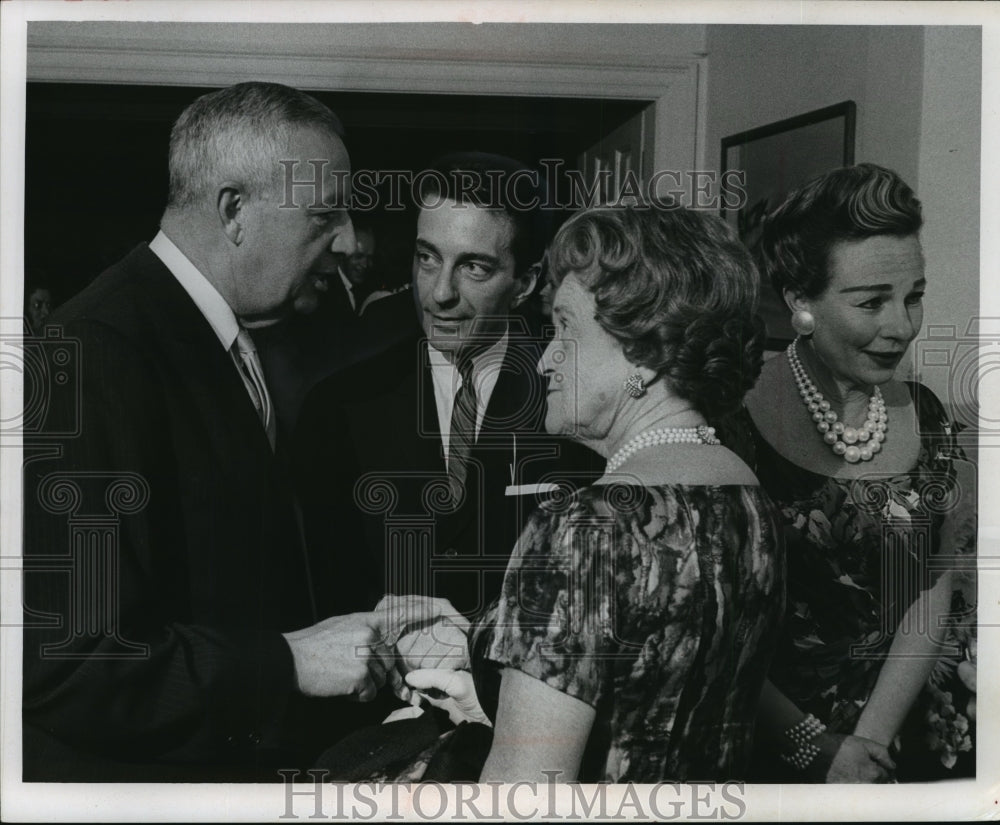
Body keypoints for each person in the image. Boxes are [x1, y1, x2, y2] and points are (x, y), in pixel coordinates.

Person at [21, 81, 453, 782]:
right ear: (234, 211)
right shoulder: (93, 355)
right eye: (325, 213)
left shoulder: (225, 338)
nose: (349, 241)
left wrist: (365, 635)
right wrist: (288, 661)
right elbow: (71, 664)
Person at [385, 202, 785, 782]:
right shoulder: (748, 495)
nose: (545, 359)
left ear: (645, 354)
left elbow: (522, 801)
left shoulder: (584, 524)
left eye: (566, 329)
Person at [743, 164, 976, 782]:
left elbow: (930, 586)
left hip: (903, 734)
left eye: (913, 296)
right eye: (872, 302)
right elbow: (713, 622)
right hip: (775, 750)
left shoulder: (926, 413)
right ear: (800, 301)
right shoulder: (731, 418)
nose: (901, 326)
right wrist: (818, 750)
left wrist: (870, 744)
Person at [294, 152, 599, 621]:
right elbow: (325, 589)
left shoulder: (577, 397)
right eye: (427, 258)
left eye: (474, 267)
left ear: (525, 284)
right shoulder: (340, 404)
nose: (439, 293)